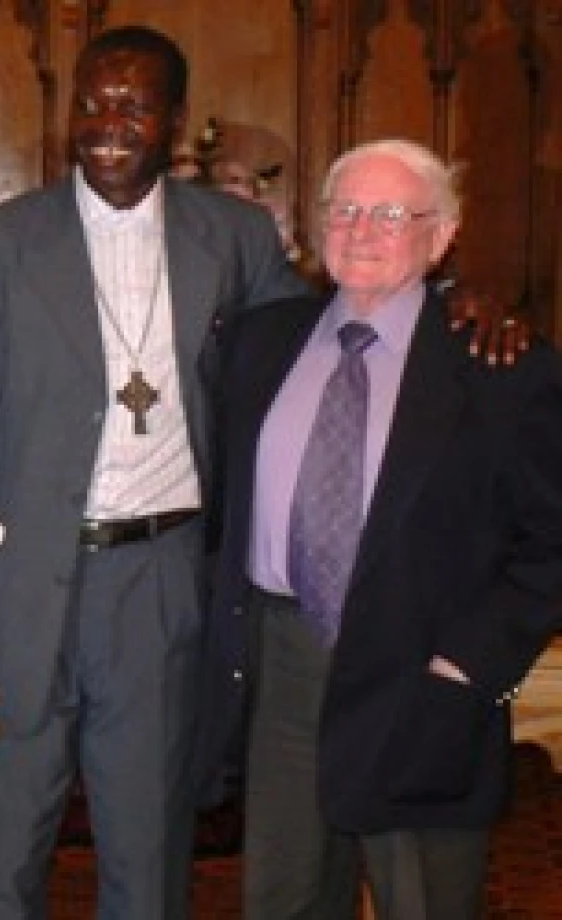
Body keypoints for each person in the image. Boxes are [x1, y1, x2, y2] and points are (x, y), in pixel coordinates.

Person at [0, 25, 310, 918]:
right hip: (18, 587)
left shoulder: (234, 236)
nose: (106, 123)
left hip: (159, 581)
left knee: (147, 850)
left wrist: (447, 302)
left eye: (132, 106)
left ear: (172, 124)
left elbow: (317, 343)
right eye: (90, 103)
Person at [198, 138, 562, 920]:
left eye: (391, 214)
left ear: (441, 235)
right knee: (284, 900)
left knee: (421, 903)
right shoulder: (257, 346)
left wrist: (469, 664)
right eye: (346, 210)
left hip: (420, 679)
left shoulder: (498, 365)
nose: (361, 230)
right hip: (282, 669)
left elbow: (551, 542)